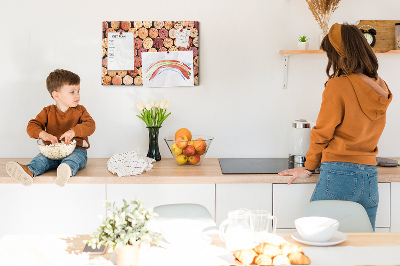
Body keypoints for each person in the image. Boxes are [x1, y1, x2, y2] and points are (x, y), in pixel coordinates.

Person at [278, 23, 392, 230]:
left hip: (339, 174)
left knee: (314, 237)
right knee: (362, 246)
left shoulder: (339, 85)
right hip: (369, 176)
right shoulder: (380, 86)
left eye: (330, 54)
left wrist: (308, 167)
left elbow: (322, 133)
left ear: (340, 54)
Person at [6, 69, 96, 187]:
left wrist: (73, 131)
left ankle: (65, 170)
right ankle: (28, 172)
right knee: (40, 160)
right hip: (51, 151)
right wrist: (42, 134)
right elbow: (32, 126)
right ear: (56, 95)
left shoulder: (81, 110)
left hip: (76, 150)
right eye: (72, 92)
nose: (77, 95)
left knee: (74, 159)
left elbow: (90, 125)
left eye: (78, 91)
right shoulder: (47, 111)